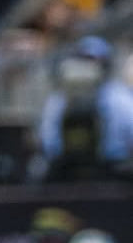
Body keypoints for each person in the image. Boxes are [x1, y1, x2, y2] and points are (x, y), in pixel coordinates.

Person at [37, 37, 133, 181]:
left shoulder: (119, 97)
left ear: (105, 64)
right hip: (65, 175)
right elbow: (48, 143)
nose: (88, 66)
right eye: (83, 61)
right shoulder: (58, 100)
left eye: (93, 61)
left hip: (112, 173)